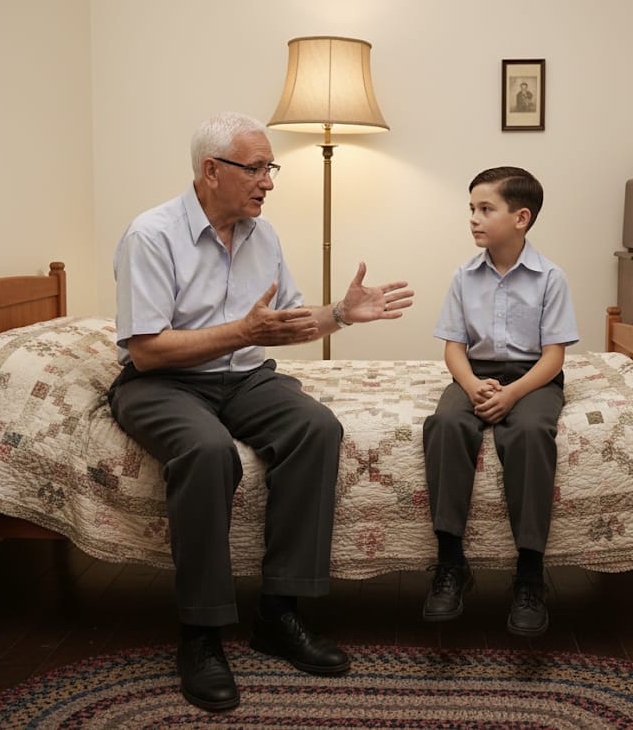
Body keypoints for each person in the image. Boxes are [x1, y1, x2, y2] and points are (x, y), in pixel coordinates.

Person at [108, 111, 414, 712]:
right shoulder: (151, 235)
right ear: (210, 171)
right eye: (256, 168)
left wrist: (342, 314)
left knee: (315, 426)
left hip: (243, 379)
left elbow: (283, 328)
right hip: (164, 382)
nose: (268, 181)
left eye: (268, 168)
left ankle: (279, 613)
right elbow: (145, 350)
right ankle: (201, 635)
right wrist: (240, 331)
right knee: (207, 449)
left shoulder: (261, 234)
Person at [421, 166, 578, 638]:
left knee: (530, 432)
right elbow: (453, 347)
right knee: (445, 424)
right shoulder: (464, 276)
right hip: (477, 374)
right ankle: (451, 563)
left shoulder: (550, 278)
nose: (473, 218)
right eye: (471, 208)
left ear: (521, 218)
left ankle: (529, 575)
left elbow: (554, 357)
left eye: (485, 209)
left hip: (532, 379)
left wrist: (513, 394)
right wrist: (470, 386)